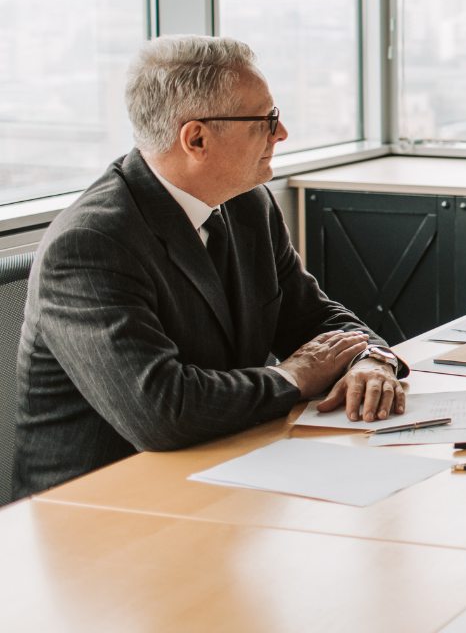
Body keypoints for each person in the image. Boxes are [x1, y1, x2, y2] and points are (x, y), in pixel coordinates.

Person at [13, 35, 407, 499]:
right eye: (267, 120)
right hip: (102, 506)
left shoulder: (246, 204)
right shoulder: (89, 244)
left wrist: (370, 361)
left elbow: (315, 318)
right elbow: (161, 411)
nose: (281, 135)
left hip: (224, 466)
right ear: (196, 138)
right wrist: (295, 376)